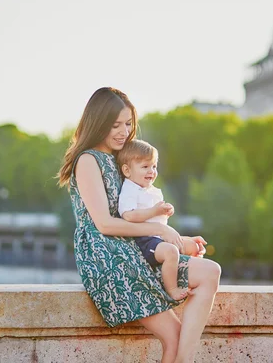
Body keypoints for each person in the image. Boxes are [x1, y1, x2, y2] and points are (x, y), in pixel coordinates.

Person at [57, 87, 221, 363]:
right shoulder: (87, 160)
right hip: (109, 259)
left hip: (135, 249)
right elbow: (106, 224)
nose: (124, 131)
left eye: (129, 123)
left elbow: (139, 213)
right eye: (115, 125)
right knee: (173, 337)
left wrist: (177, 240)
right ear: (97, 123)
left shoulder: (122, 158)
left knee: (210, 272)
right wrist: (162, 231)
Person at [117, 139, 200, 301]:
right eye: (145, 167)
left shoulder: (152, 190)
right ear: (127, 171)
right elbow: (129, 215)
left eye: (154, 166)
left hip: (158, 238)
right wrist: (155, 210)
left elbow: (158, 219)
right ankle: (172, 289)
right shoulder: (130, 189)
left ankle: (191, 277)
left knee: (193, 246)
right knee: (171, 252)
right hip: (143, 241)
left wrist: (165, 212)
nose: (152, 171)